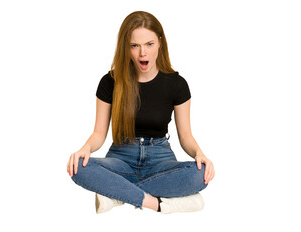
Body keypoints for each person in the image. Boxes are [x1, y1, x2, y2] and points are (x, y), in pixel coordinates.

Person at [67, 11, 215, 214]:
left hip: (160, 160)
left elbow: (186, 135)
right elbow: (99, 133)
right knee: (79, 167)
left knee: (199, 175)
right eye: (134, 46)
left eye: (149, 44)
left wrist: (200, 154)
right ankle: (159, 204)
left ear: (160, 43)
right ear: (125, 48)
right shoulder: (109, 82)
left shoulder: (177, 84)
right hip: (121, 159)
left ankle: (117, 195)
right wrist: (85, 149)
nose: (142, 53)